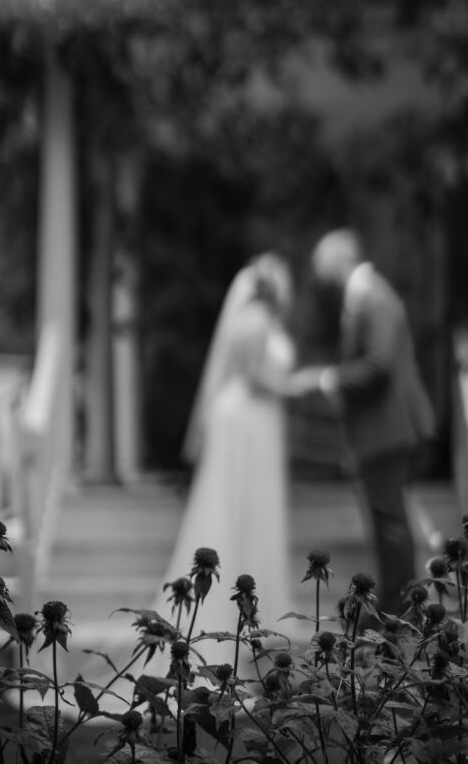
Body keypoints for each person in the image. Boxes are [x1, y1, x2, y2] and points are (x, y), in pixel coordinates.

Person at [153, 251, 297, 660]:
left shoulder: (260, 320)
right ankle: (232, 603)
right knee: (236, 509)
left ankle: (253, 603)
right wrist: (297, 385)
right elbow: (257, 374)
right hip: (247, 418)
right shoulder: (254, 322)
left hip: (257, 417)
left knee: (253, 511)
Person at [292, 229, 435, 617]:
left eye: (322, 268)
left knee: (391, 523)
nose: (320, 277)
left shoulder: (374, 297)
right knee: (386, 520)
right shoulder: (364, 297)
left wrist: (329, 379)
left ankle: (403, 609)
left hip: (387, 428)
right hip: (378, 429)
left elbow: (378, 366)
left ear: (341, 261)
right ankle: (396, 605)